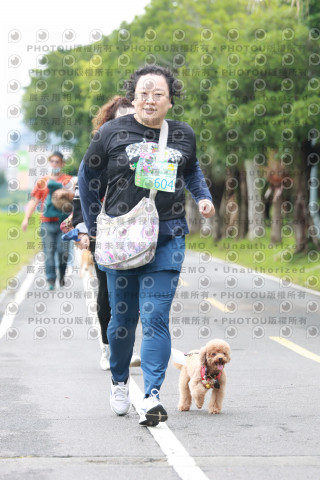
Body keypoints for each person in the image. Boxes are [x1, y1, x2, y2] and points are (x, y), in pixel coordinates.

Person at [78, 65, 215, 427]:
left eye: (158, 94)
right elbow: (88, 176)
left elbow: (191, 170)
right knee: (123, 321)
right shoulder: (111, 132)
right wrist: (94, 225)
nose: (150, 99)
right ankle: (120, 382)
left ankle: (153, 395)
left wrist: (202, 197)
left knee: (155, 317)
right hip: (120, 239)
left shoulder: (183, 135)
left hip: (167, 235)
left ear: (171, 100)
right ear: (133, 96)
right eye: (143, 93)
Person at [71, 96, 141, 370]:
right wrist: (85, 230)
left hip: (137, 233)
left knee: (132, 293)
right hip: (104, 232)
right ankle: (107, 347)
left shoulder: (144, 152)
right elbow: (82, 191)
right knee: (109, 292)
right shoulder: (99, 151)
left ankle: (125, 347)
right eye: (121, 120)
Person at [21, 151, 74, 290]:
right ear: (50, 163)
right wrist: (26, 218)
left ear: (62, 164)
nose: (55, 164)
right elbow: (34, 200)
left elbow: (75, 195)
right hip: (47, 222)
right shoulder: (42, 182)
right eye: (53, 161)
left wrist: (65, 193)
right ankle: (51, 279)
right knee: (49, 252)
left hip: (64, 223)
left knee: (63, 252)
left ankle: (62, 275)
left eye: (58, 162)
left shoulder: (67, 180)